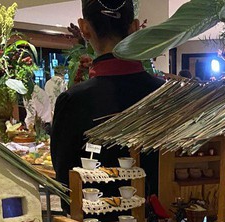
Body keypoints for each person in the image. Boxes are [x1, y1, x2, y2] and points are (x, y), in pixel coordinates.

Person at [51, 0, 163, 199]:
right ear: (134, 27)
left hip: (90, 217)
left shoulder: (73, 101)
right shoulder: (164, 94)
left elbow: (65, 183)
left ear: (84, 28)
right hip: (164, 217)